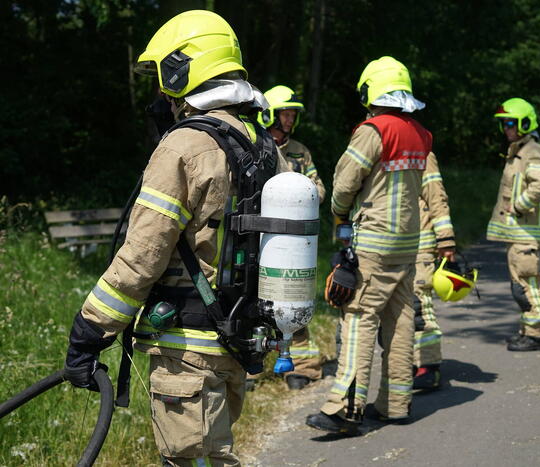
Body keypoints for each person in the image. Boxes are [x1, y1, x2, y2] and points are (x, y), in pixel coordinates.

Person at [63, 10, 289, 466]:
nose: (161, 96)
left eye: (162, 80)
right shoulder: (263, 144)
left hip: (188, 348)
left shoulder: (184, 145)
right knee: (214, 454)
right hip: (236, 339)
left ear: (182, 69)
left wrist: (90, 332)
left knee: (195, 460)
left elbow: (143, 254)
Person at [306, 56, 435, 434]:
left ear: (370, 91)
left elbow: (345, 182)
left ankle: (345, 409)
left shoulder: (374, 130)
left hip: (375, 243)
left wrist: (339, 211)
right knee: (401, 320)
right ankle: (396, 404)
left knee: (359, 319)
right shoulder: (421, 133)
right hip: (408, 244)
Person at [258, 84, 324, 390]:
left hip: (294, 241)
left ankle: (303, 366)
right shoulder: (254, 147)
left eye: (293, 115)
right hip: (261, 236)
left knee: (293, 296)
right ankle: (252, 367)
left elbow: (319, 189)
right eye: (285, 113)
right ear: (269, 115)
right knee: (256, 299)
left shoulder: (300, 151)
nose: (290, 119)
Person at [488, 98, 540, 351]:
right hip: (517, 233)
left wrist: (519, 206)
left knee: (527, 285)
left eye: (510, 123)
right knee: (520, 286)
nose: (506, 128)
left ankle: (536, 336)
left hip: (526, 233)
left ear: (525, 124)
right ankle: (527, 331)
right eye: (503, 124)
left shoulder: (531, 152)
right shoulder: (518, 151)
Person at [412, 153, 456, 390]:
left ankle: (428, 366)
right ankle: (409, 362)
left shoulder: (423, 153)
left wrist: (445, 239)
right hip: (393, 244)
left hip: (421, 243)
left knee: (419, 305)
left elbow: (436, 197)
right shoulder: (381, 147)